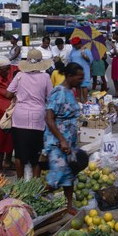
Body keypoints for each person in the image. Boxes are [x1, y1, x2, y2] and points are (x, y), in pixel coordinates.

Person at [6, 49, 53, 180]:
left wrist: (19, 95)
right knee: (37, 152)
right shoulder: (45, 77)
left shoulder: (20, 75)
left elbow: (7, 94)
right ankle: (35, 183)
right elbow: (51, 97)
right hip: (37, 118)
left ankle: (20, 182)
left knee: (19, 153)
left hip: (19, 117)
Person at [44, 63, 84, 214]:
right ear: (69, 76)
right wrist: (61, 139)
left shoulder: (70, 91)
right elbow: (49, 119)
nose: (81, 81)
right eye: (79, 78)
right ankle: (31, 199)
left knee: (70, 174)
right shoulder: (58, 92)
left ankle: (68, 206)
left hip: (69, 142)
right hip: (58, 142)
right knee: (57, 175)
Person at [68, 37, 92, 103]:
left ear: (80, 44)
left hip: (84, 71)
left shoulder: (86, 50)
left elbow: (90, 60)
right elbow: (69, 59)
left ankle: (85, 101)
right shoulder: (73, 50)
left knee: (84, 86)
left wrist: (84, 55)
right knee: (77, 86)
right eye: (73, 45)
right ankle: (79, 102)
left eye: (75, 44)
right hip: (75, 71)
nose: (74, 46)